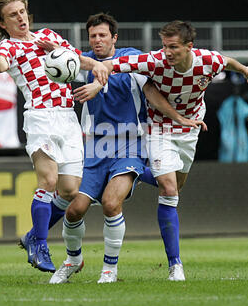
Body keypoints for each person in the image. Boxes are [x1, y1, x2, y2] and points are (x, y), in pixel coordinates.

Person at [49, 14, 207, 284]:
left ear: (114, 38)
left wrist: (180, 118)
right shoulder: (83, 61)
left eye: (103, 35)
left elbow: (146, 88)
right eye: (93, 36)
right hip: (94, 148)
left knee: (112, 203)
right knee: (74, 210)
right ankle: (73, 260)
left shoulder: (130, 57)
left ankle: (110, 270)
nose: (97, 40)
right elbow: (60, 61)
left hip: (128, 145)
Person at [101, 20, 248, 281]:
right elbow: (110, 65)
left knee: (177, 185)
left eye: (173, 47)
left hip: (191, 130)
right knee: (169, 189)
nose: (167, 53)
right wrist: (98, 80)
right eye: (164, 46)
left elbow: (227, 61)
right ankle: (175, 265)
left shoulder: (207, 60)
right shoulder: (154, 62)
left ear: (189, 47)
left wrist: (245, 70)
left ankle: (138, 171)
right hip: (159, 128)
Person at [0, 0, 108, 273]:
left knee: (70, 190)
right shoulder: (9, 47)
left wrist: (95, 63)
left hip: (68, 117)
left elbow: (74, 58)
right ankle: (40, 246)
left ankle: (33, 234)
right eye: (12, 15)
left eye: (21, 12)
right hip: (41, 118)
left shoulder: (49, 36)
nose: (20, 18)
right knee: (48, 180)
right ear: (2, 24)